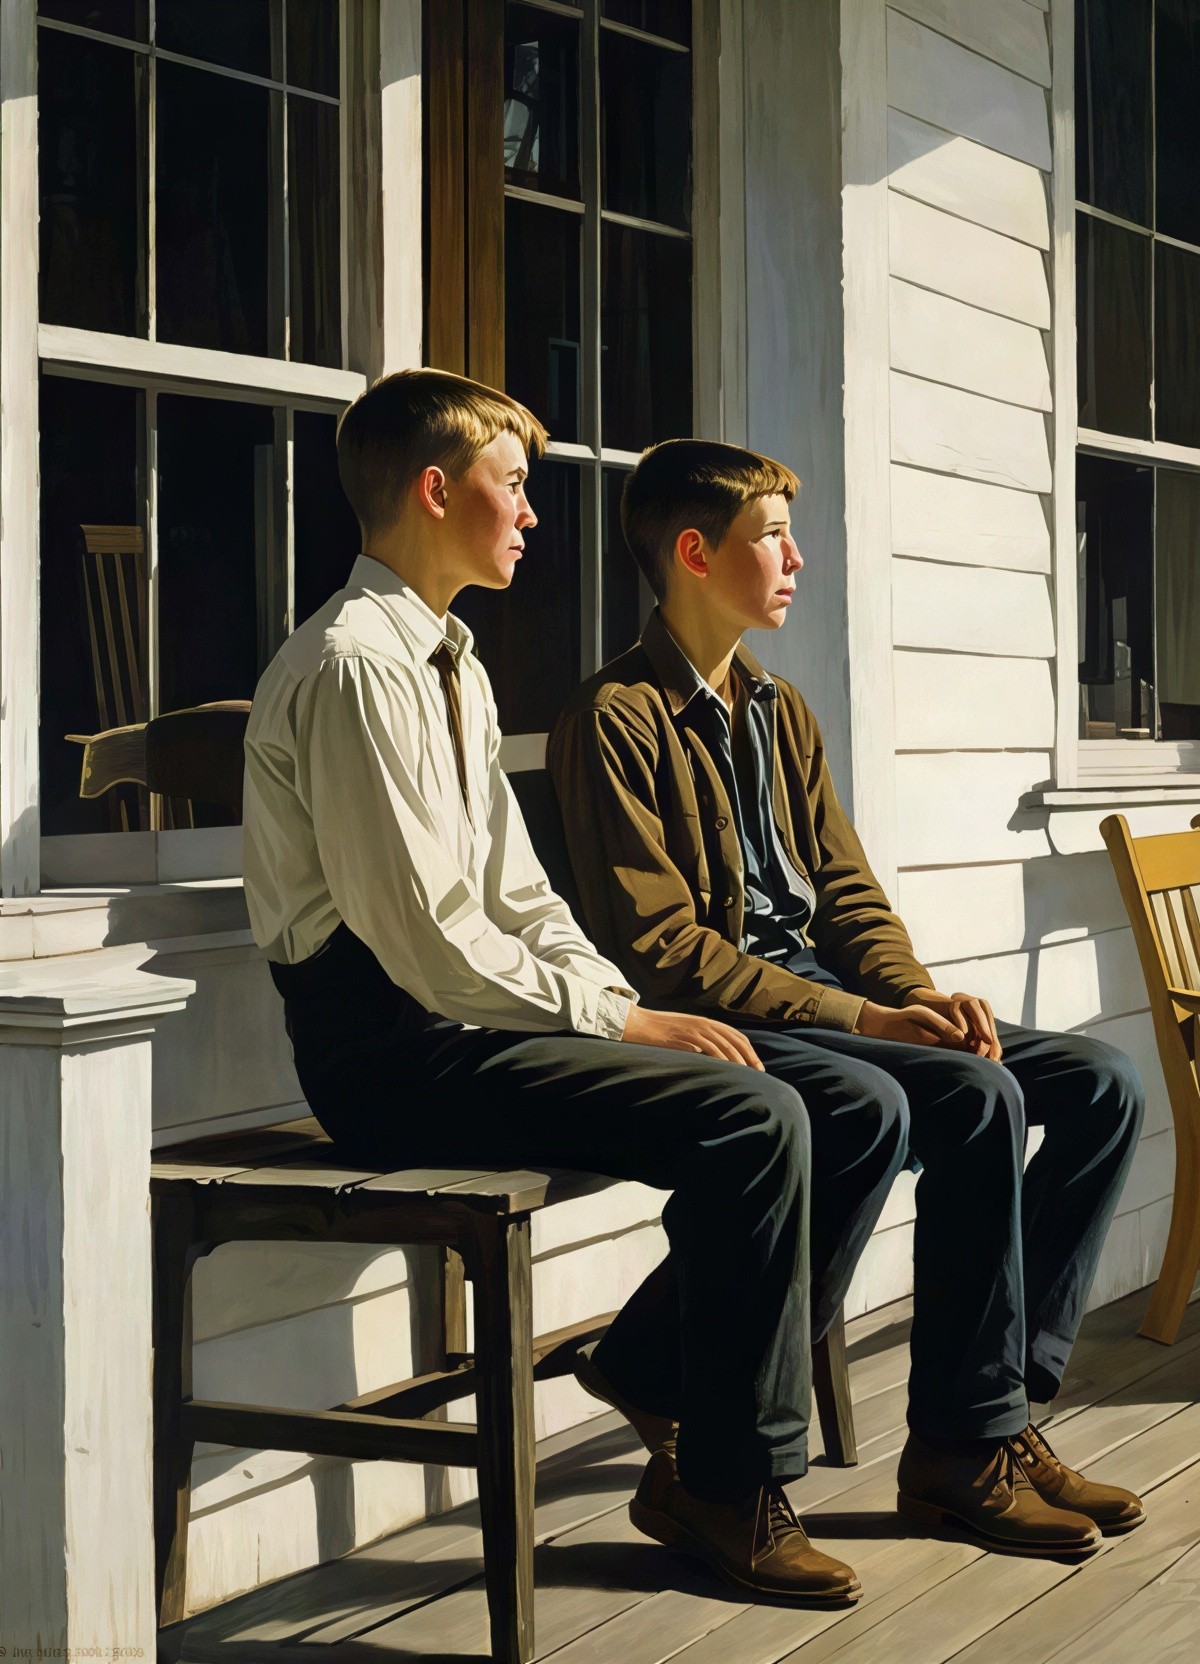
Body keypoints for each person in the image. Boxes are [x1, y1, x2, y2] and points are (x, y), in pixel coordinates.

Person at [243, 371, 880, 1608]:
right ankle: (726, 1480)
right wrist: (622, 1014)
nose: (532, 513)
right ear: (437, 490)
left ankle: (655, 1368)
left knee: (843, 1100)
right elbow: (425, 937)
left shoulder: (455, 664)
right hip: (394, 1050)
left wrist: (622, 1000)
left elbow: (520, 896)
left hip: (475, 1018)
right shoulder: (354, 666)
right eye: (513, 485)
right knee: (755, 1118)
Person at [549, 439, 1147, 1561]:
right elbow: (667, 950)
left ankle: (997, 1414)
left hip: (824, 999)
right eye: (771, 535)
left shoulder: (780, 711)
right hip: (724, 1015)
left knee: (1100, 1083)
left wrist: (915, 991)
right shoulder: (613, 718)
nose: (795, 557)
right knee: (971, 1099)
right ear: (693, 551)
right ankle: (962, 1450)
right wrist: (868, 1021)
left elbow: (845, 892)